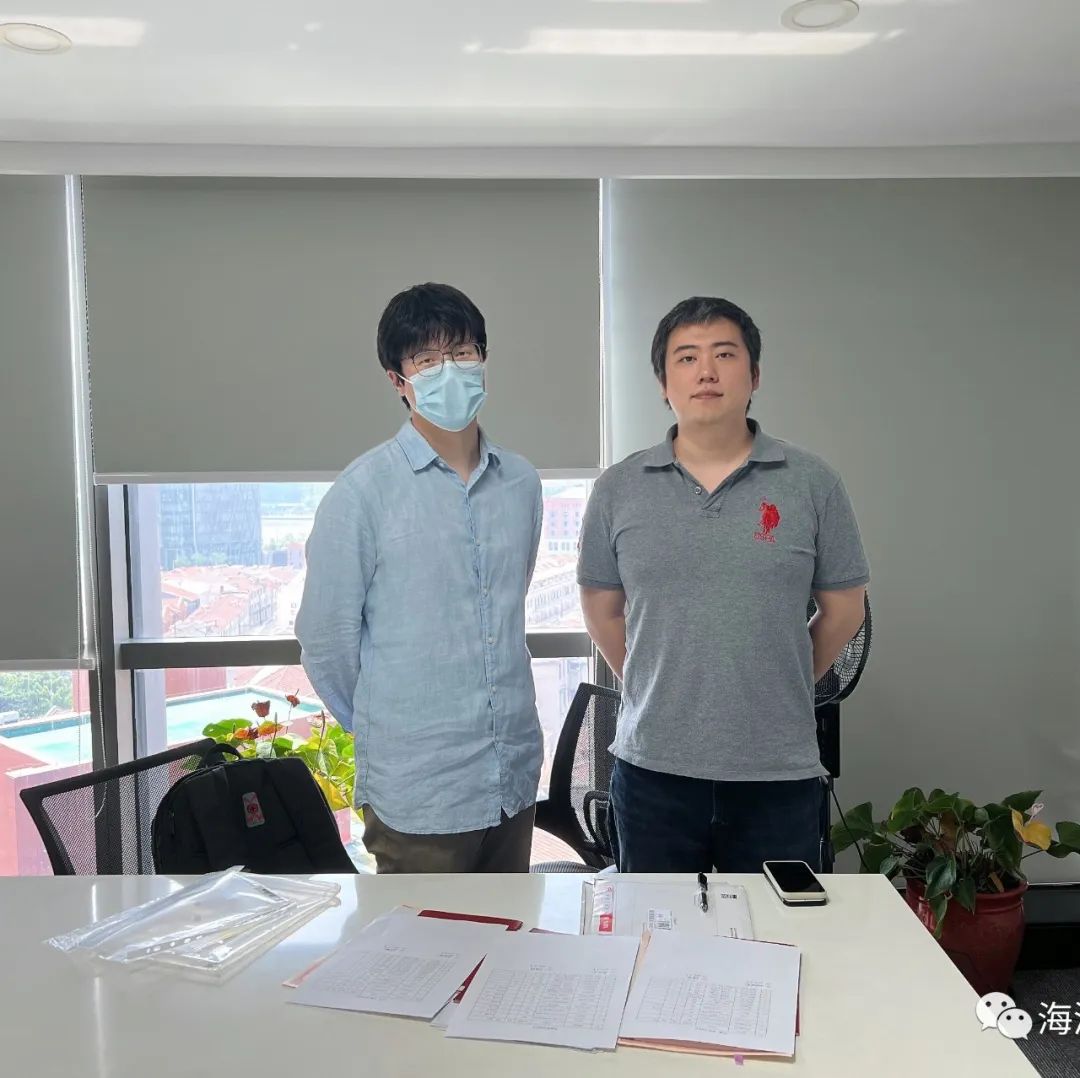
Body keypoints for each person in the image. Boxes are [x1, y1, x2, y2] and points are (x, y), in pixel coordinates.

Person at [577, 296, 869, 873]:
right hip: (652, 770)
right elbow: (602, 611)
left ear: (754, 375)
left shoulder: (813, 483)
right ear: (664, 383)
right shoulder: (619, 489)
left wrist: (781, 679)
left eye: (724, 354)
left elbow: (844, 610)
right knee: (656, 926)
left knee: (772, 928)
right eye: (686, 358)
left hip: (777, 773)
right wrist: (657, 681)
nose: (706, 372)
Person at [296, 282, 543, 873]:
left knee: (512, 931)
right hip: (419, 791)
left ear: (483, 359)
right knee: (421, 935)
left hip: (511, 776)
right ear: (397, 380)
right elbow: (326, 642)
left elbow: (506, 605)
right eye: (427, 360)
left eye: (462, 353)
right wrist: (390, 725)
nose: (449, 371)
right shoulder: (363, 493)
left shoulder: (521, 483)